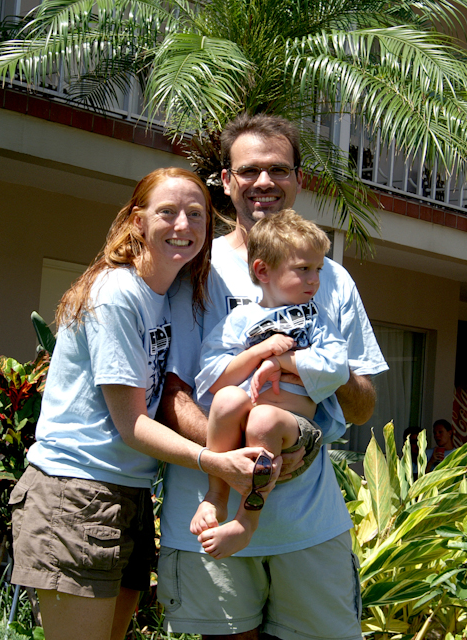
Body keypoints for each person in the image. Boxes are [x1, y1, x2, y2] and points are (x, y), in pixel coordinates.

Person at [7, 167, 273, 640]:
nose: (183, 225)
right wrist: (216, 460)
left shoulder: (166, 294)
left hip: (128, 493)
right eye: (167, 212)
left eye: (196, 214)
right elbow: (131, 425)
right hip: (77, 490)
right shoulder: (116, 295)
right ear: (137, 221)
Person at [158, 113, 389, 640]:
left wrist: (303, 380)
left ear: (299, 179)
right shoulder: (194, 265)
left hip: (310, 525)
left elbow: (363, 405)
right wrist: (236, 457)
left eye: (279, 169)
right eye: (249, 170)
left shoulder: (329, 276)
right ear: (226, 180)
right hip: (207, 523)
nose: (264, 182)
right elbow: (171, 392)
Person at [191, 211, 349, 559]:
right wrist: (260, 352)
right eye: (303, 269)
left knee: (264, 419)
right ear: (263, 271)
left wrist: (281, 363)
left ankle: (246, 521)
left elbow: (337, 368)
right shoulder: (240, 320)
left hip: (292, 427)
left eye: (318, 270)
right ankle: (215, 496)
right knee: (228, 399)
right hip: (246, 416)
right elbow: (214, 377)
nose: (314, 280)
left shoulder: (317, 321)